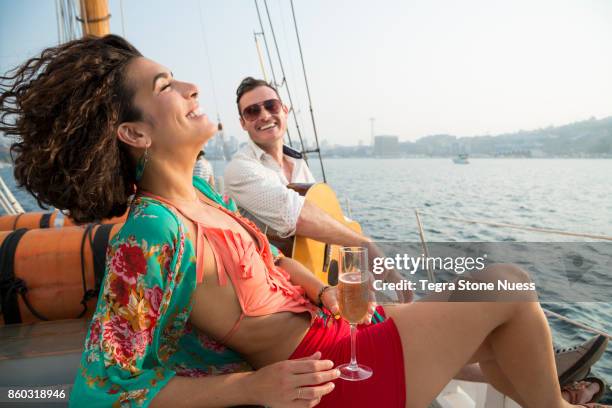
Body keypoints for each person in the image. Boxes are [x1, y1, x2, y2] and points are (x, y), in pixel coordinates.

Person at [1, 35, 608, 408]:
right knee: (506, 283)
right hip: (339, 378)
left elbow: (270, 256)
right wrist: (251, 389)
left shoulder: (204, 195)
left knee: (493, 314)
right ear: (134, 132)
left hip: (337, 334)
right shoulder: (152, 234)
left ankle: (549, 396)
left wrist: (321, 288)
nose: (188, 86)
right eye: (165, 85)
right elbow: (100, 389)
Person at [224, 77, 608, 392]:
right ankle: (549, 376)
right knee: (486, 296)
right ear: (242, 123)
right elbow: (297, 216)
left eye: (270, 105)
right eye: (251, 111)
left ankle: (550, 380)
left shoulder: (298, 164)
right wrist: (368, 248)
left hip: (326, 286)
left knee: (467, 311)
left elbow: (327, 228)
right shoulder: (241, 170)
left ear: (284, 110)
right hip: (299, 304)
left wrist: (358, 265)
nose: (263, 115)